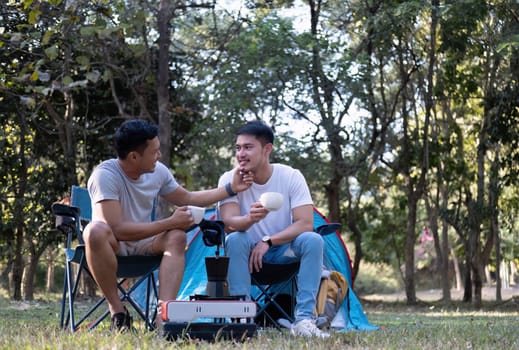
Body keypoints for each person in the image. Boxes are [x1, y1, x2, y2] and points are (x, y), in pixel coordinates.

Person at [83, 119, 253, 332]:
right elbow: (117, 230)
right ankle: (118, 312)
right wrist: (170, 222)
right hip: (112, 245)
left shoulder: (157, 172)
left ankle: (164, 319)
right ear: (134, 157)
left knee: (176, 237)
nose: (159, 155)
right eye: (154, 151)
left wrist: (231, 189)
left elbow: (187, 197)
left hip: (144, 241)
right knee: (94, 231)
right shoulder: (104, 176)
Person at [217, 120, 329, 338]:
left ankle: (304, 320)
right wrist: (250, 219)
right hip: (245, 256)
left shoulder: (290, 176)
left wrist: (268, 241)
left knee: (313, 239)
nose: (241, 154)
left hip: (283, 254)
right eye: (238, 148)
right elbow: (229, 223)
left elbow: (305, 222)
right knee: (235, 239)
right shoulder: (229, 179)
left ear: (267, 149)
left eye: (248, 147)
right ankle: (243, 317)